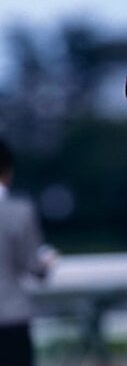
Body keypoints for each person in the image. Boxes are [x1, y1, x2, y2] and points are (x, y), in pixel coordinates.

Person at [0, 138, 54, 366]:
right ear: (7, 171)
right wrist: (47, 262)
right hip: (10, 315)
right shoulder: (19, 211)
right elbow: (34, 267)